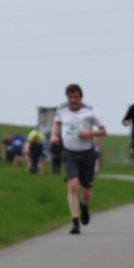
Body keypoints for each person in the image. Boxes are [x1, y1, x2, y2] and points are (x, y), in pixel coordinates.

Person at [50, 84, 106, 235]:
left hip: (87, 154)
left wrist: (89, 133)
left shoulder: (90, 110)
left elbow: (103, 131)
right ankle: (75, 222)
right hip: (69, 153)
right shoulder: (61, 109)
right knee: (73, 185)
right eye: (70, 97)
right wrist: (53, 135)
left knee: (86, 191)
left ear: (81, 97)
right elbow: (56, 124)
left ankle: (84, 206)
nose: (73, 100)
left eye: (75, 97)